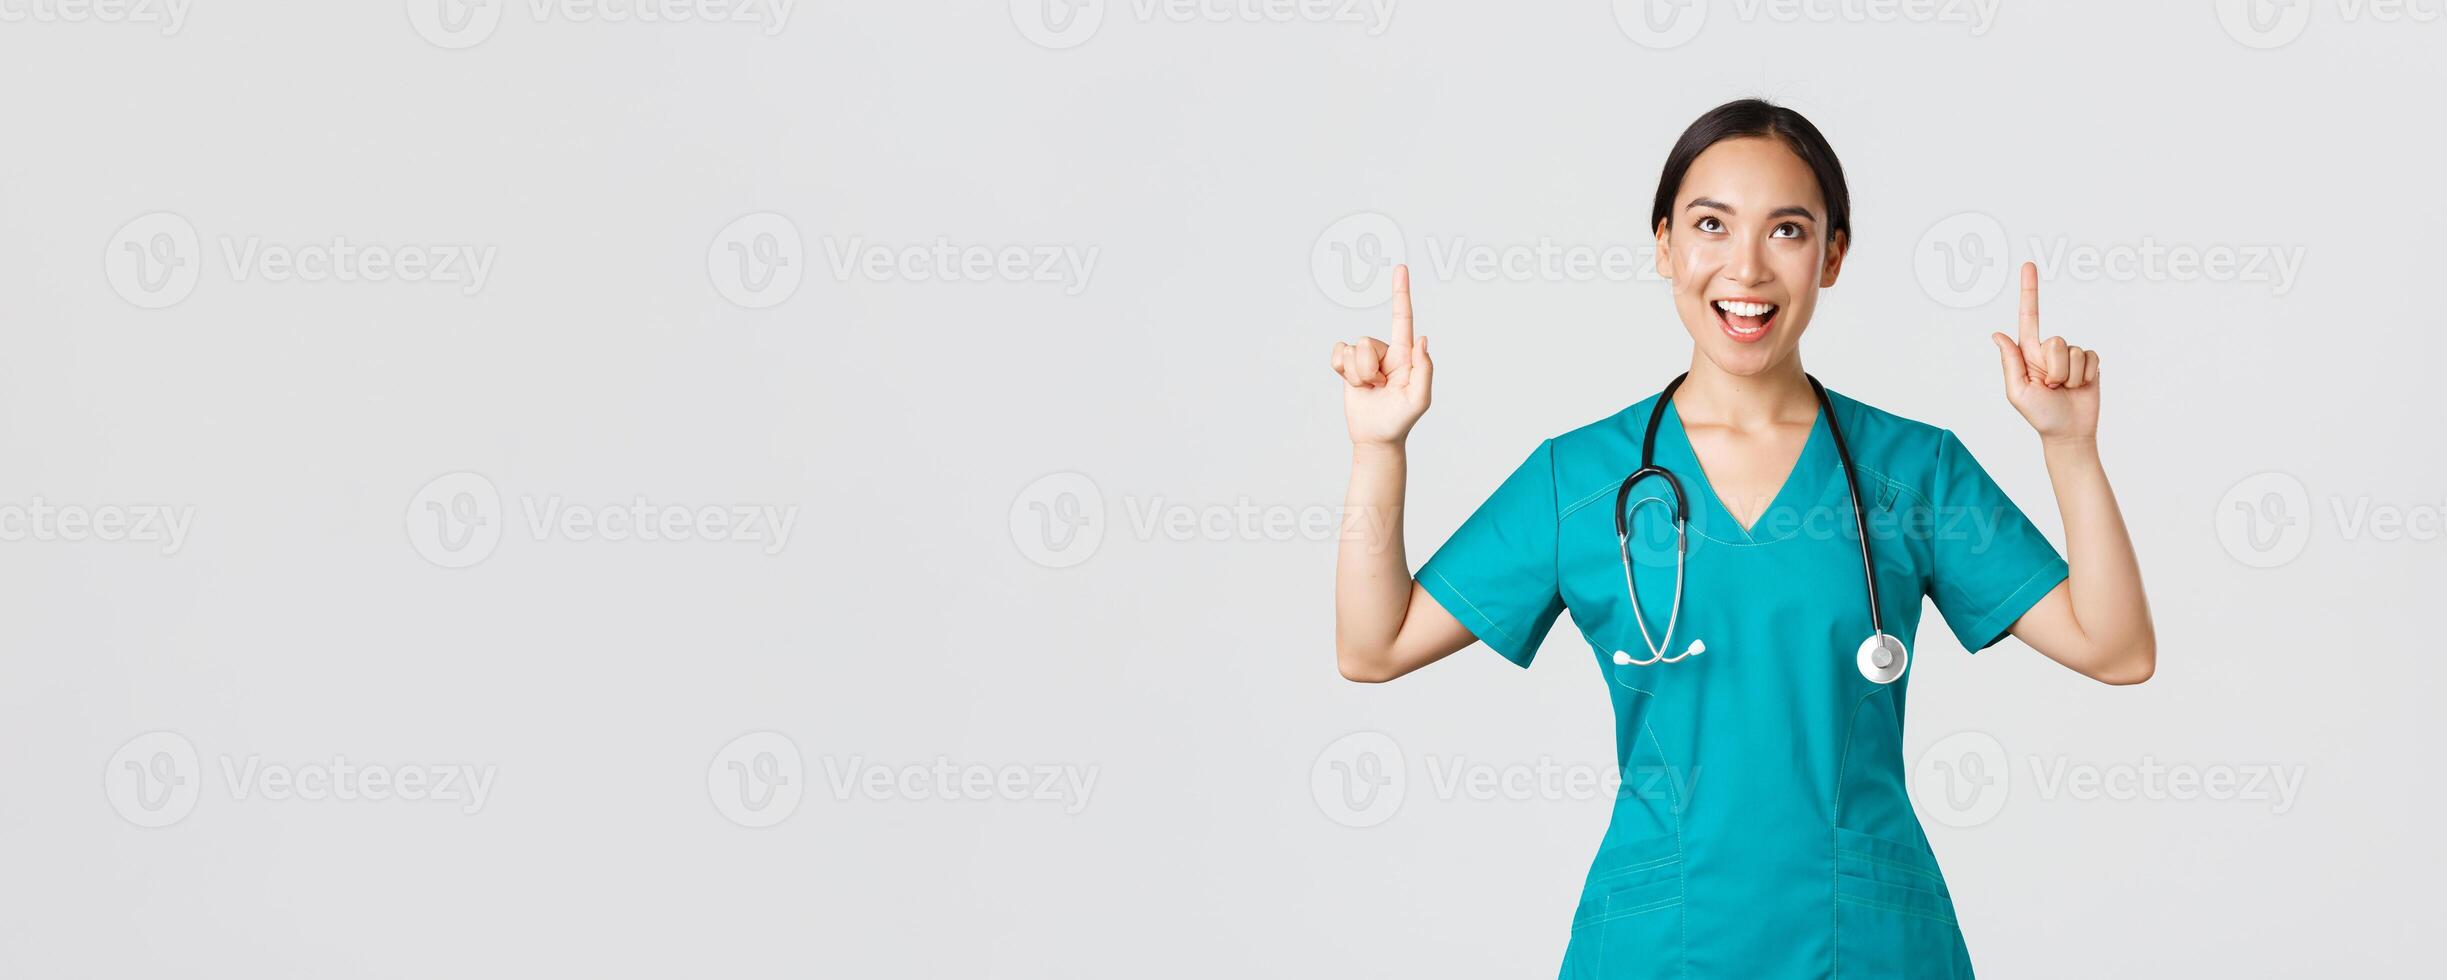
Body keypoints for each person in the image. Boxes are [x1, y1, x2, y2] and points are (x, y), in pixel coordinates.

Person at [1326, 98, 2156, 979]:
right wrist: (1378, 449)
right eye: (1710, 224)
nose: (1746, 268)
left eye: (1788, 230)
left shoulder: (1911, 472)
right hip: (1654, 947)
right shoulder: (1583, 480)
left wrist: (2069, 448)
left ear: (1832, 255)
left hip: (1869, 948)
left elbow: (2114, 648)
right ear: (1663, 246)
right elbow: (1373, 646)